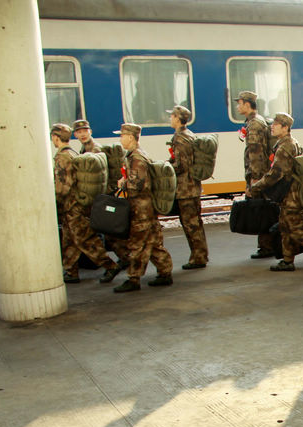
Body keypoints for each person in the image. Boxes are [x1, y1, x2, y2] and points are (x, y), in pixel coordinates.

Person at [247, 112, 303, 272]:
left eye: (276, 124)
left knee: (297, 231)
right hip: (289, 196)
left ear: (285, 127)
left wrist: (256, 187)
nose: (272, 127)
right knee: (285, 228)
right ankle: (288, 261)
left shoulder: (285, 147)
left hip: (292, 198)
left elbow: (275, 174)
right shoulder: (287, 143)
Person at [51, 123, 122, 284]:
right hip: (75, 205)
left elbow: (64, 185)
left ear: (55, 137)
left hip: (72, 206)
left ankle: (110, 265)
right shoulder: (73, 152)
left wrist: (55, 200)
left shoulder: (63, 157)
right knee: (69, 239)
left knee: (85, 239)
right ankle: (71, 270)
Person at [112, 123, 174, 293]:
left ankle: (133, 279)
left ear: (131, 137)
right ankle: (165, 272)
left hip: (141, 208)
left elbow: (137, 185)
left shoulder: (137, 158)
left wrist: (124, 183)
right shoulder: (136, 155)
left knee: (136, 244)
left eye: (122, 135)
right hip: (146, 208)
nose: (120, 139)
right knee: (153, 242)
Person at [167, 105, 208, 270]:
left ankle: (198, 258)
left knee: (191, 224)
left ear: (178, 118)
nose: (170, 119)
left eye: (172, 116)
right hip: (192, 187)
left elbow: (181, 165)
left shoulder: (180, 138)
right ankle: (200, 255)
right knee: (195, 223)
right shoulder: (188, 135)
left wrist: (166, 169)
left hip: (185, 189)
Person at [236, 90, 274, 259]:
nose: (238, 106)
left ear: (247, 104)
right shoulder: (257, 122)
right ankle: (266, 246)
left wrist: (254, 179)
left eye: (240, 103)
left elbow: (256, 154)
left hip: (260, 175)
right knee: (264, 210)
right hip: (263, 174)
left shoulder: (254, 125)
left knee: (262, 210)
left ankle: (267, 247)